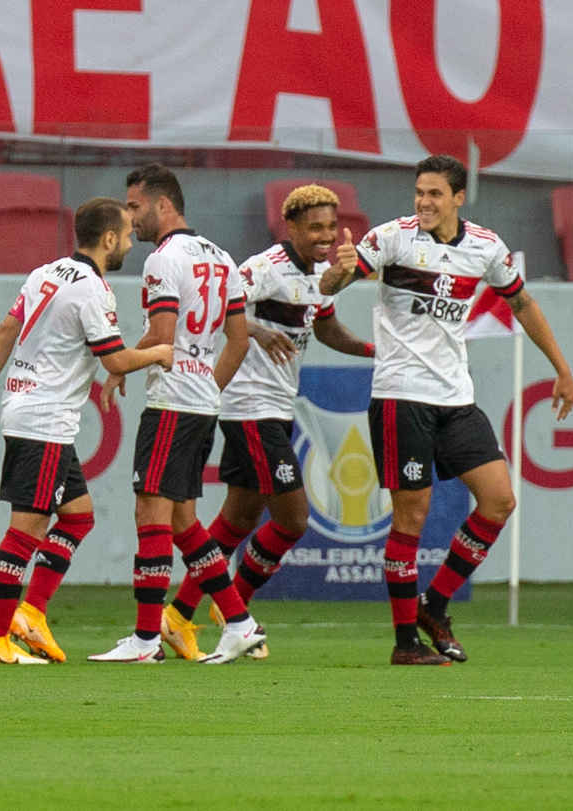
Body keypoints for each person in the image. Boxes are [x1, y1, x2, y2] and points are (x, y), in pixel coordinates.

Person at [320, 154, 573, 665]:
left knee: (499, 500)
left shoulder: (484, 247)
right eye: (419, 192)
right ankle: (405, 643)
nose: (424, 202)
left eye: (435, 194)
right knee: (410, 519)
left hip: (455, 398)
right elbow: (331, 287)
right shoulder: (393, 238)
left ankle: (434, 605)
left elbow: (522, 304)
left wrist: (561, 369)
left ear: (459, 198)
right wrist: (338, 273)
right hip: (401, 395)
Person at [0, 198, 173, 665]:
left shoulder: (45, 273)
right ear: (109, 238)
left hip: (28, 410)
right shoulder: (92, 290)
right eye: (127, 235)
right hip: (46, 421)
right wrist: (158, 353)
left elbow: (6, 330)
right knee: (25, 532)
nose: (131, 242)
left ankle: (30, 612)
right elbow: (114, 360)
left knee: (77, 516)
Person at [159, 184, 375, 661]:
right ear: (291, 226)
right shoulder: (262, 269)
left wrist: (372, 351)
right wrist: (255, 329)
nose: (324, 236)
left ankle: (178, 617)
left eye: (329, 227)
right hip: (248, 407)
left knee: (236, 519)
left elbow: (324, 326)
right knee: (294, 518)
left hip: (278, 406)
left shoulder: (322, 275)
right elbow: (213, 308)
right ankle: (234, 608)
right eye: (314, 227)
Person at [89, 163, 264, 664]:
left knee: (151, 511)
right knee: (185, 520)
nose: (130, 217)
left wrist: (119, 365)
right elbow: (238, 338)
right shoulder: (222, 257)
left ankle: (146, 641)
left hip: (171, 404)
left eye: (136, 206)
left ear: (164, 205)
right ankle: (239, 621)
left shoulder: (163, 260)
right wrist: (208, 387)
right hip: (200, 404)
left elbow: (163, 336)